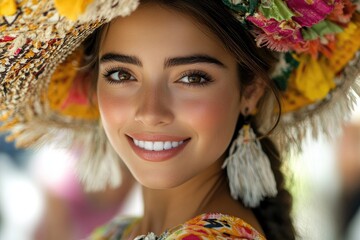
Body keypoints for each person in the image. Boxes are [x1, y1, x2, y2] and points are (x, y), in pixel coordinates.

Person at [1, 0, 359, 239]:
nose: (150, 112)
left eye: (192, 78)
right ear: (93, 84)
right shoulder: (120, 231)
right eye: (122, 75)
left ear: (250, 92)